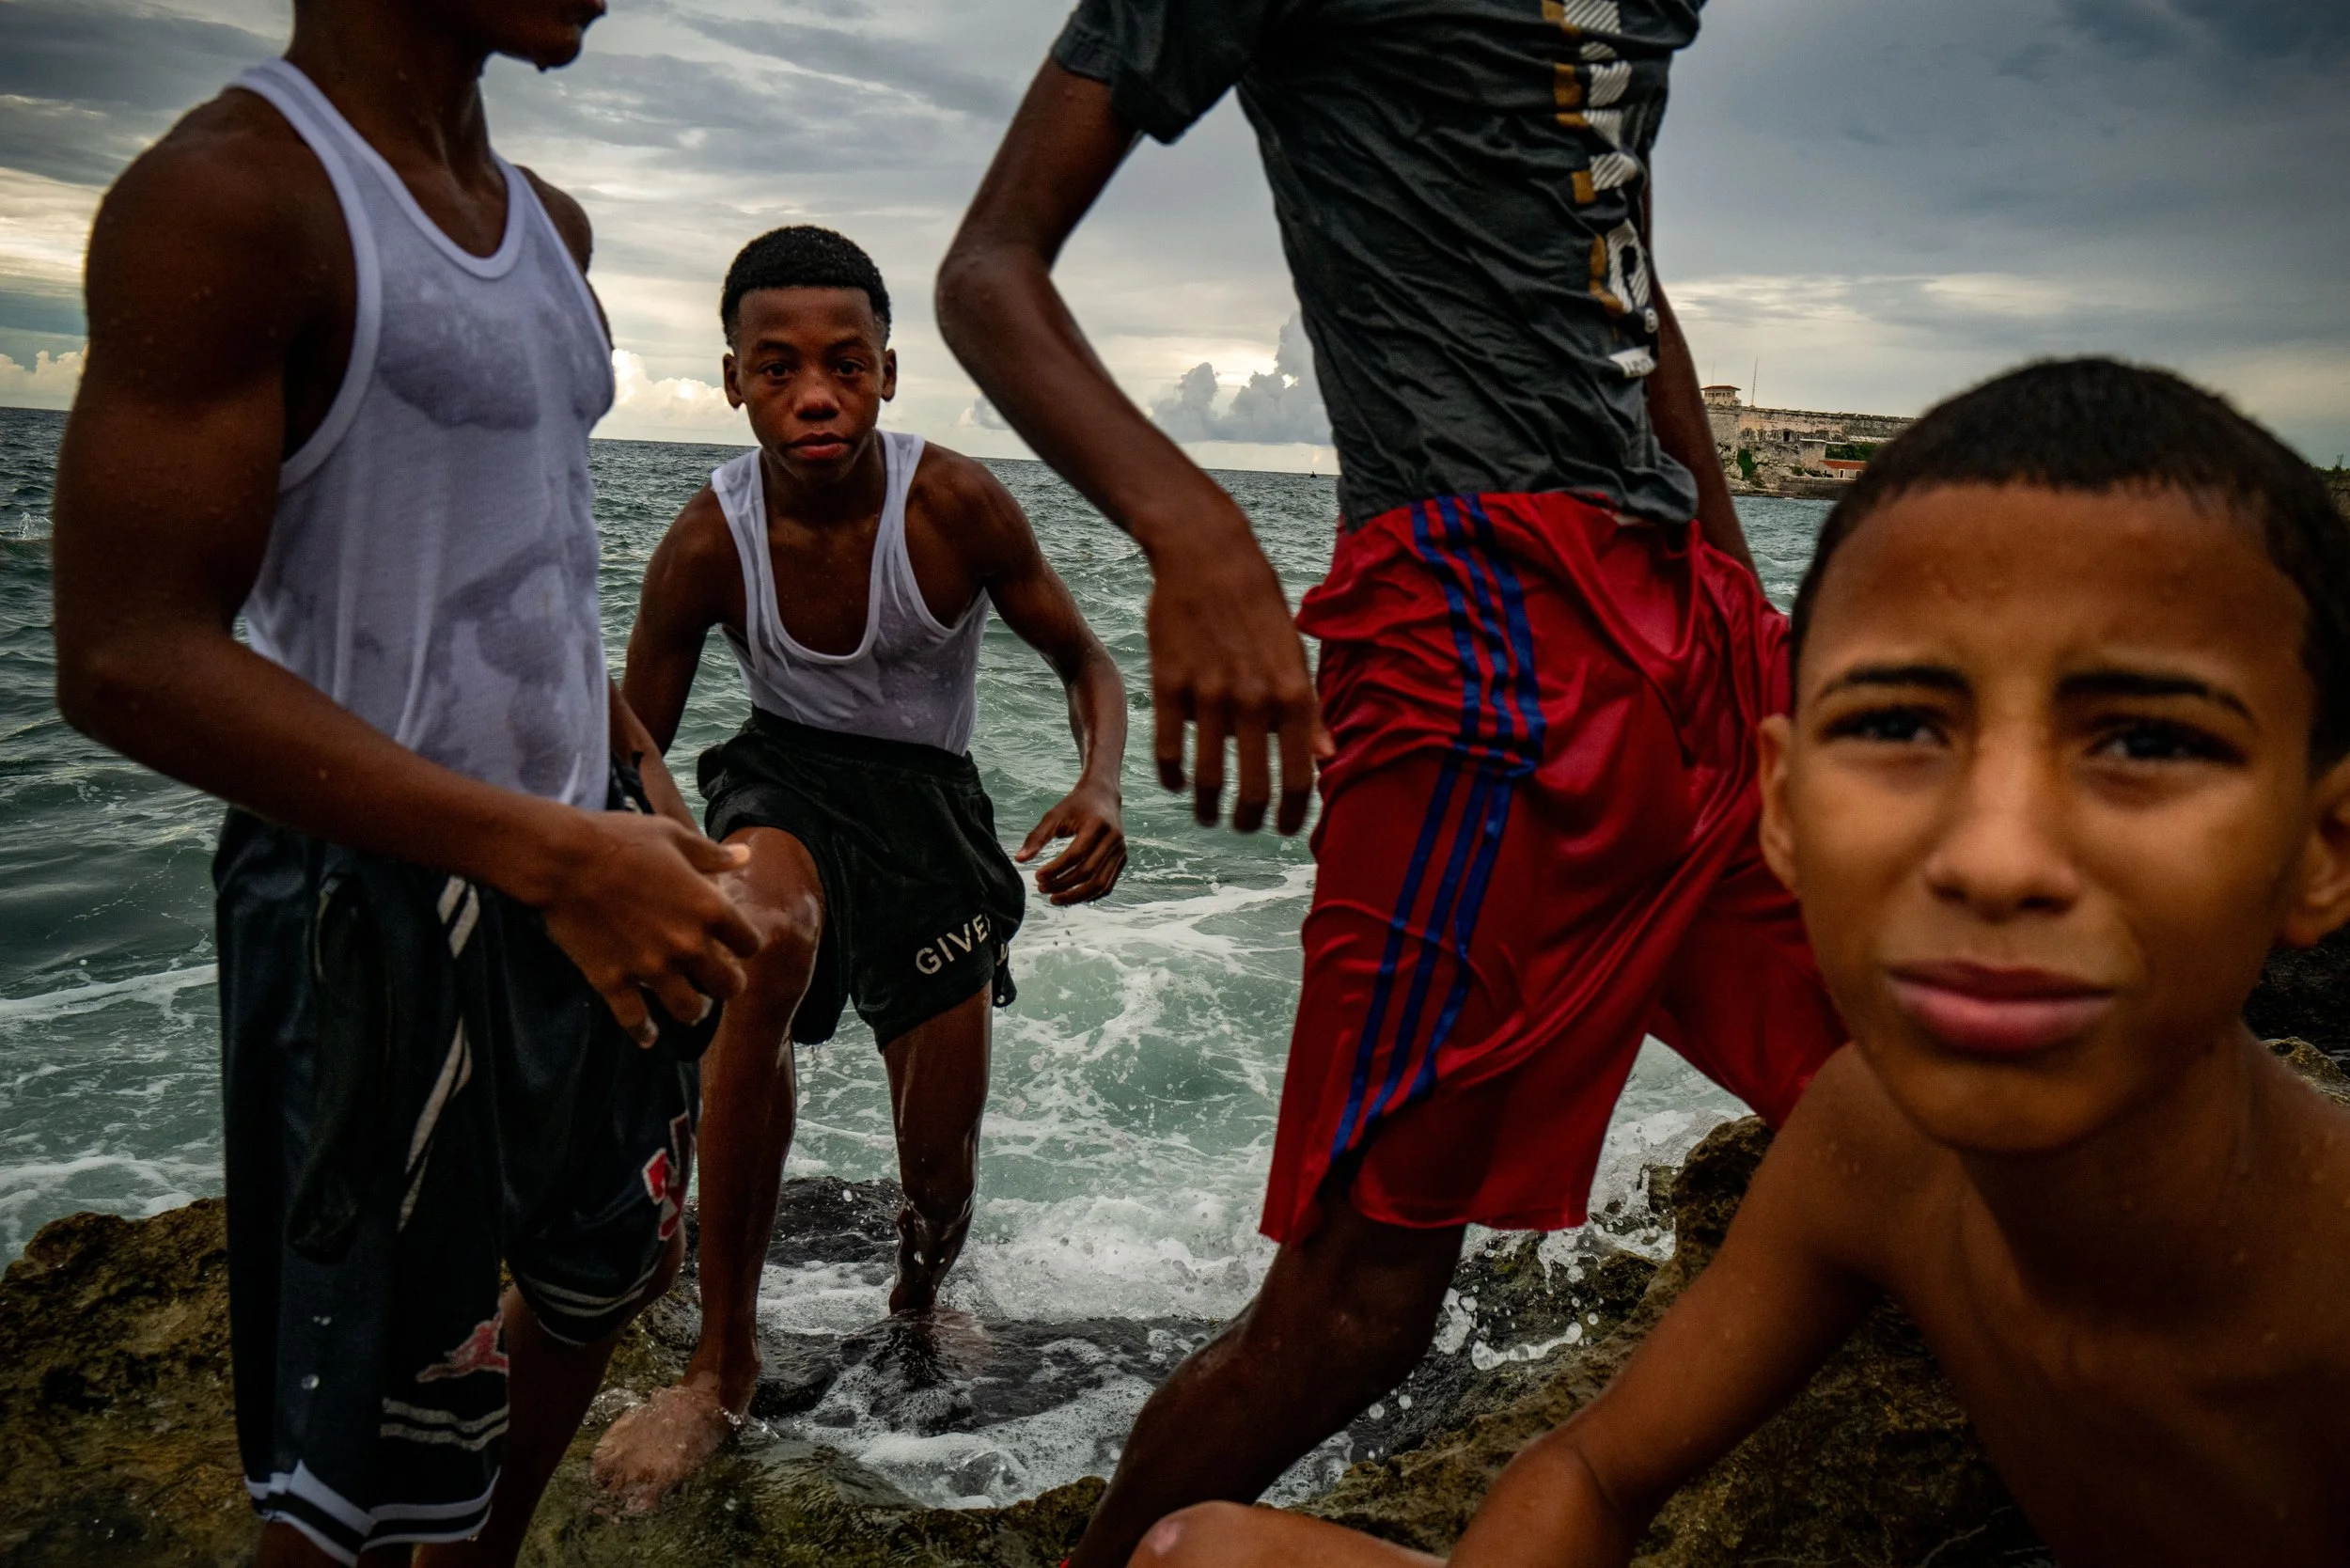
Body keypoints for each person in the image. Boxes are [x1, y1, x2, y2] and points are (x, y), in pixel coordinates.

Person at [1129, 359, 2350, 1566]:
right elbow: (1594, 1468)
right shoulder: (1866, 1143)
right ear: (1780, 804)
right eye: (1897, 726)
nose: (1994, 857)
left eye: (2144, 740)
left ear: (2322, 850)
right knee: (1202, 1553)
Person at [934, 3, 1844, 1560]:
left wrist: (1765, 641)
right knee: (1361, 1309)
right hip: (1475, 637)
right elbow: (989, 272)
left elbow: (1622, 271)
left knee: (1910, 1095)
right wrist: (1194, 531)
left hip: (1693, 626)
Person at [47, 2, 764, 1562]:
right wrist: (546, 855)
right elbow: (123, 653)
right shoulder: (237, 197)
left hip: (576, 853)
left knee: (607, 1259)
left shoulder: (546, 226)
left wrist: (631, 786)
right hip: (368, 902)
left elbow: (529, 552)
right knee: (350, 1451)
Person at [586, 226, 1130, 1510]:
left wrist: (1102, 782)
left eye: (843, 364)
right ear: (731, 381)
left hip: (929, 817)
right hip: (782, 781)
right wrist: (627, 859)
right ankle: (721, 1362)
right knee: (760, 936)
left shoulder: (953, 505)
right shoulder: (709, 538)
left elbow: (1089, 663)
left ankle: (916, 1306)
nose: (813, 394)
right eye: (776, 368)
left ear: (887, 372)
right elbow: (631, 740)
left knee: (938, 1172)